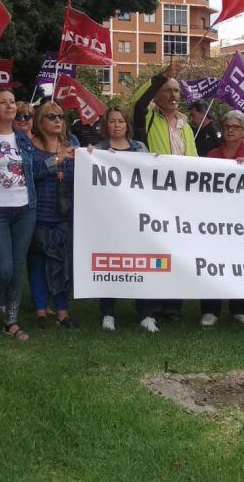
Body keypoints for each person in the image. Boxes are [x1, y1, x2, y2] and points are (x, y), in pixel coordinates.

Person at [0, 87, 72, 342]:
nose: (10, 106)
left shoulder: (23, 139)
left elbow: (35, 170)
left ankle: (12, 321)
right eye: (2, 102)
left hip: (25, 210)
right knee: (3, 268)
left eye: (12, 102)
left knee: (17, 268)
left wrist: (55, 160)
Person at [133, 59, 195, 321]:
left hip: (181, 198)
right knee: (152, 250)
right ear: (157, 95)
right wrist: (161, 76)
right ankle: (150, 305)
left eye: (177, 91)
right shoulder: (147, 116)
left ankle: (172, 306)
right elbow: (137, 102)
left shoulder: (186, 125)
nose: (173, 95)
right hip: (153, 195)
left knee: (177, 251)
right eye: (168, 90)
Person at [91, 107, 159, 332]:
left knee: (142, 263)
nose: (117, 125)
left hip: (136, 216)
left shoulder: (140, 148)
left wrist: (157, 162)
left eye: (121, 121)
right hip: (108, 216)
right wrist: (89, 156)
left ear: (127, 125)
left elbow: (151, 177)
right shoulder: (98, 150)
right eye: (112, 121)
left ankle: (146, 314)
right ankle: (108, 313)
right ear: (106, 125)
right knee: (110, 262)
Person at [200, 109, 244, 327]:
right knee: (212, 264)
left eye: (235, 127)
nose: (230, 130)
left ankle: (240, 309)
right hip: (215, 219)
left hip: (243, 221)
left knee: (240, 264)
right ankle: (210, 310)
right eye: (227, 127)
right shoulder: (212, 156)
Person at [28, 101, 80, 330]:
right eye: (51, 117)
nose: (58, 120)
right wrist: (57, 160)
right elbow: (30, 174)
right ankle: (40, 310)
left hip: (64, 215)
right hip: (37, 214)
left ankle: (62, 311)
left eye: (60, 116)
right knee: (38, 263)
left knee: (61, 262)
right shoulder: (30, 145)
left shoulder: (73, 143)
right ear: (40, 121)